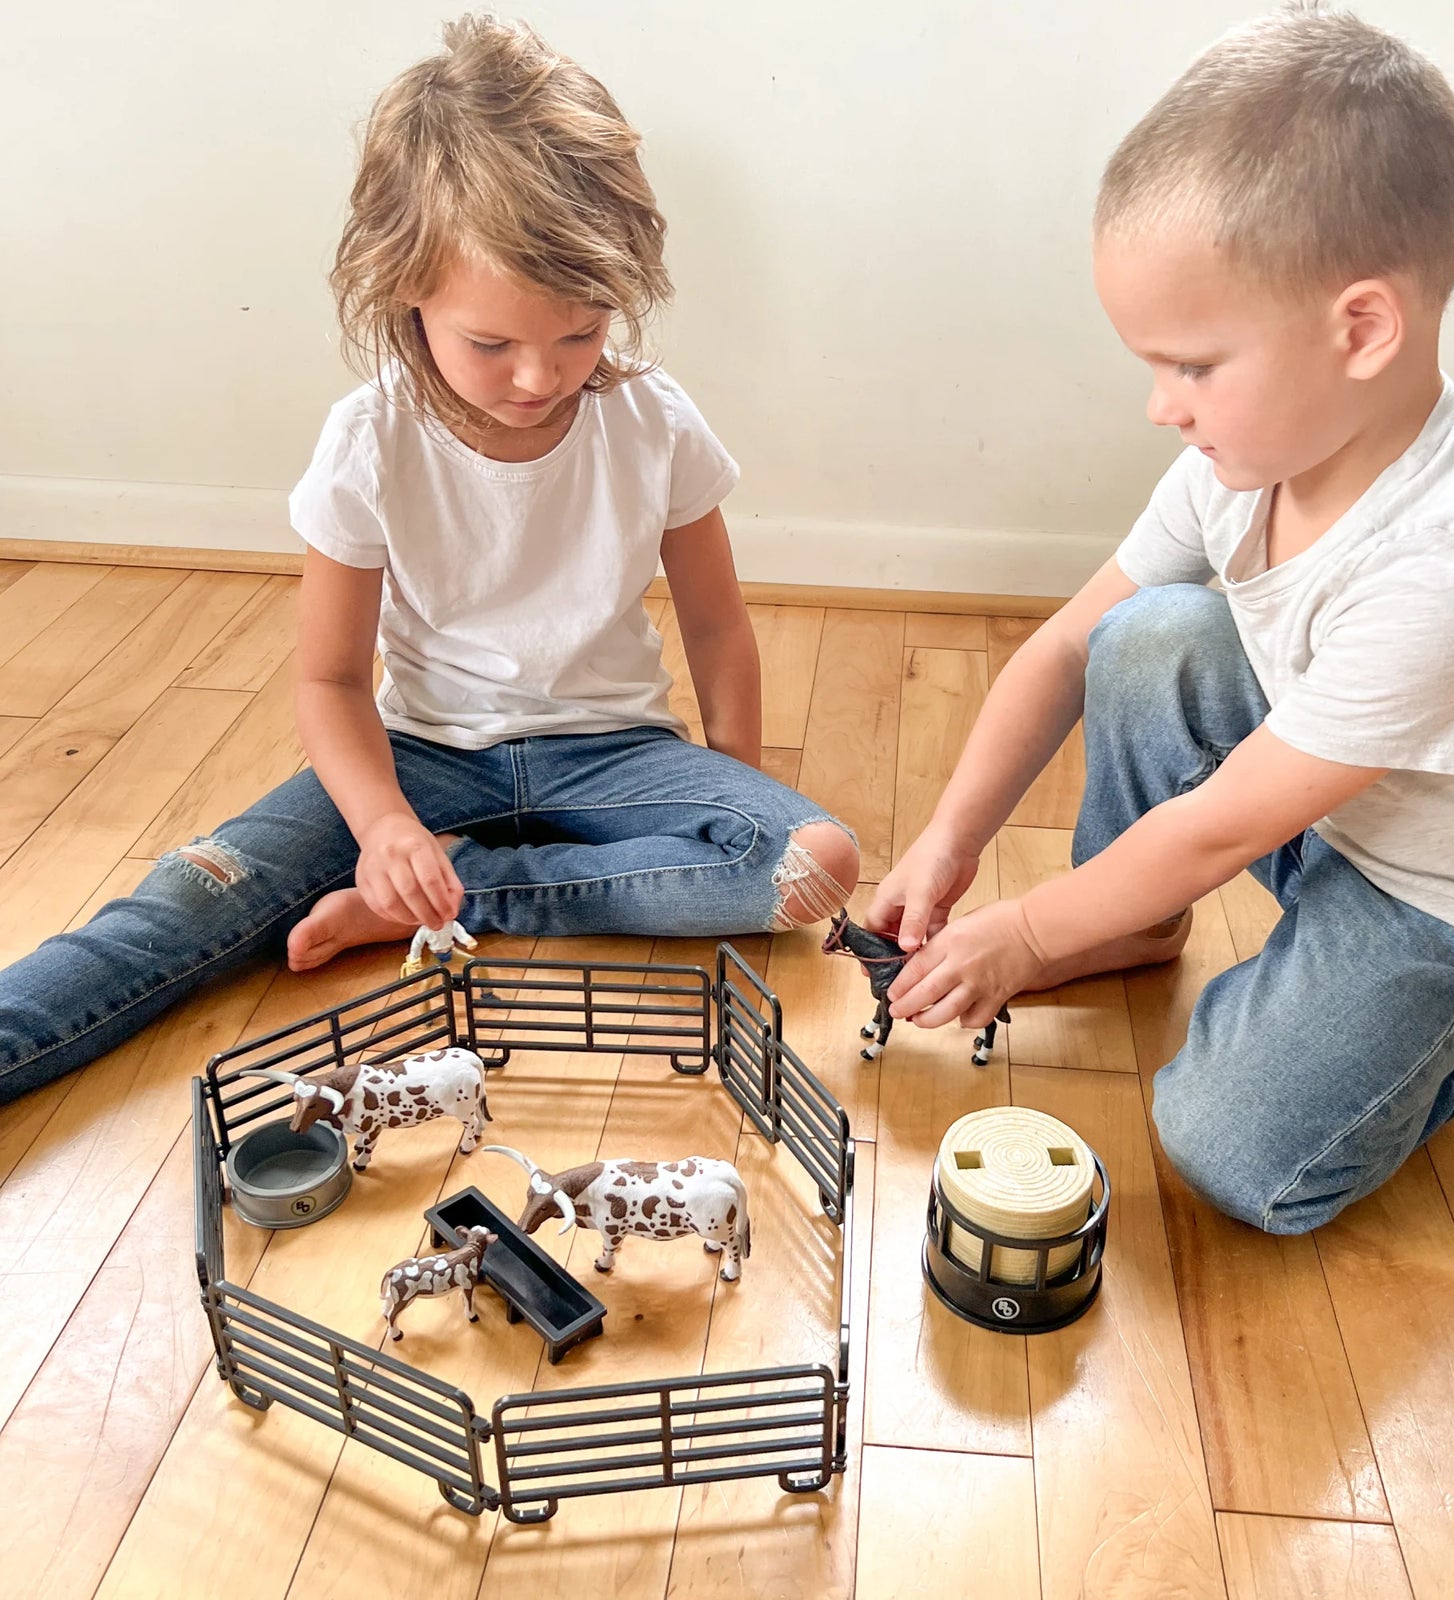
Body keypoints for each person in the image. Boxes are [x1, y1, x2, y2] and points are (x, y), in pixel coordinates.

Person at [0, 15, 857, 1105]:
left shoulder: (655, 418)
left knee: (809, 863)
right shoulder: (369, 437)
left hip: (611, 753)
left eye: (580, 333)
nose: (540, 377)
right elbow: (327, 680)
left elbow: (717, 624)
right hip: (419, 751)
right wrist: (387, 824)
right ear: (403, 288)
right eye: (491, 343)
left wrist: (739, 778)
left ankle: (466, 894)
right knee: (192, 893)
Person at [872, 7, 1454, 1234]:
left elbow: (1215, 828)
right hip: (1328, 790)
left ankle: (1405, 1063)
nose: (1162, 405)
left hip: (1445, 893)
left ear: (1359, 327)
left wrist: (1025, 926)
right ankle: (1135, 928)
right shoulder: (1240, 459)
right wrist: (951, 841)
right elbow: (1062, 648)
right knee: (1146, 634)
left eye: (1193, 366)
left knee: (1229, 1151)